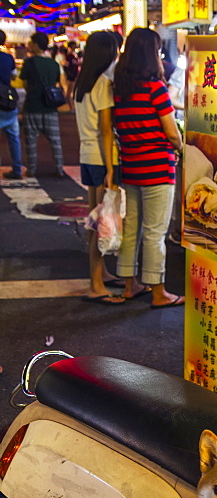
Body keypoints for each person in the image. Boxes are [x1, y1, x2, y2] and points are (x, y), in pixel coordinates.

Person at [113, 27, 184, 309]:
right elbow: (170, 130)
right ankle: (159, 293)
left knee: (133, 228)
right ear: (151, 54)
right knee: (155, 232)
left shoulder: (120, 89)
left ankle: (131, 285)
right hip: (157, 167)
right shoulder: (156, 89)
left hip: (131, 166)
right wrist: (179, 145)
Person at [74, 31, 127, 305]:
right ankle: (96, 285)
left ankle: (101, 274)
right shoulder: (104, 85)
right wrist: (110, 169)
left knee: (95, 221)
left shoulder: (82, 83)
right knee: (100, 223)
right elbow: (106, 130)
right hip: (103, 159)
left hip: (87, 156)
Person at [20, 31, 65, 178]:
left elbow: (25, 83)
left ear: (35, 45)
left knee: (30, 141)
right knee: (55, 140)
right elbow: (57, 82)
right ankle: (59, 168)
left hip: (32, 105)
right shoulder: (53, 64)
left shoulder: (29, 62)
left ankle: (31, 169)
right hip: (50, 106)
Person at [0, 29, 22, 178]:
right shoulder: (8, 58)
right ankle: (17, 169)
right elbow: (14, 76)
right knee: (13, 137)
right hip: (6, 99)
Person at [64, 40, 81, 109]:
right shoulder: (69, 56)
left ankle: (72, 106)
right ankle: (71, 107)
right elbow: (67, 66)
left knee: (72, 91)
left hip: (73, 75)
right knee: (70, 92)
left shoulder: (73, 55)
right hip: (71, 76)